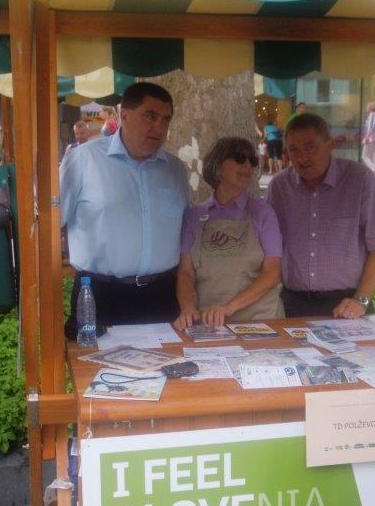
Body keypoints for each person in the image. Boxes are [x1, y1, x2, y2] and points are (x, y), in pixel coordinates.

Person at [61, 82, 189, 338]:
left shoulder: (175, 169)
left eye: (166, 119)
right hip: (99, 295)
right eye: (150, 116)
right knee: (90, 364)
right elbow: (51, 224)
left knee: (172, 362)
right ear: (124, 115)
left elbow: (186, 233)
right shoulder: (83, 160)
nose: (159, 127)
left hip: (162, 295)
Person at [267, 113, 375, 319]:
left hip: (348, 302)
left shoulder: (360, 180)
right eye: (294, 149)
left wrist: (361, 299)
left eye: (310, 147)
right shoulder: (279, 187)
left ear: (330, 145)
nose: (302, 157)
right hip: (292, 302)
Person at [174, 137, 283, 330]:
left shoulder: (263, 214)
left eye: (252, 160)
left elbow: (272, 273)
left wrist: (229, 308)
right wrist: (188, 309)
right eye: (239, 158)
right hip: (209, 322)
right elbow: (186, 273)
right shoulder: (193, 216)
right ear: (218, 167)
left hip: (259, 321)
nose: (247, 165)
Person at [361, 102, 375, 176]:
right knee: (373, 155)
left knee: (364, 156)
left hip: (370, 138)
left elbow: (370, 127)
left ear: (369, 108)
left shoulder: (371, 115)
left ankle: (374, 170)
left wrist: (367, 136)